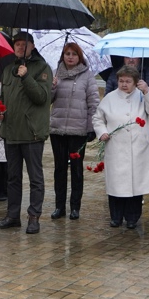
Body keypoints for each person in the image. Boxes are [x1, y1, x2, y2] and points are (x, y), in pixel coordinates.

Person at [0, 31, 52, 234]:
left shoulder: (42, 68)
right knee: (12, 177)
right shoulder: (8, 69)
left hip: (32, 132)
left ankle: (34, 216)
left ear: (32, 46)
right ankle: (12, 216)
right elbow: (3, 98)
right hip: (11, 132)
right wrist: (0, 111)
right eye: (16, 44)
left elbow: (42, 97)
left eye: (23, 44)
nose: (19, 47)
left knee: (35, 177)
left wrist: (26, 76)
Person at [92, 64, 149, 228]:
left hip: (138, 147)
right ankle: (116, 216)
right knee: (116, 184)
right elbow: (98, 118)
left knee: (135, 184)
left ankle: (132, 217)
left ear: (135, 82)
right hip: (116, 146)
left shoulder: (142, 95)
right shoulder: (110, 98)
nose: (124, 84)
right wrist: (101, 132)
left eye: (128, 81)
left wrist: (147, 91)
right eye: (121, 81)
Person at [49, 42, 100, 221]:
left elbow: (93, 102)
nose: (70, 57)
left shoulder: (87, 76)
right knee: (59, 169)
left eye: (74, 54)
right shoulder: (56, 73)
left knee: (76, 170)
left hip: (78, 131)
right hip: (57, 129)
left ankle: (75, 207)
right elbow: (47, 99)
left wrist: (91, 127)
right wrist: (52, 86)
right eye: (67, 53)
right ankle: (59, 206)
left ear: (79, 57)